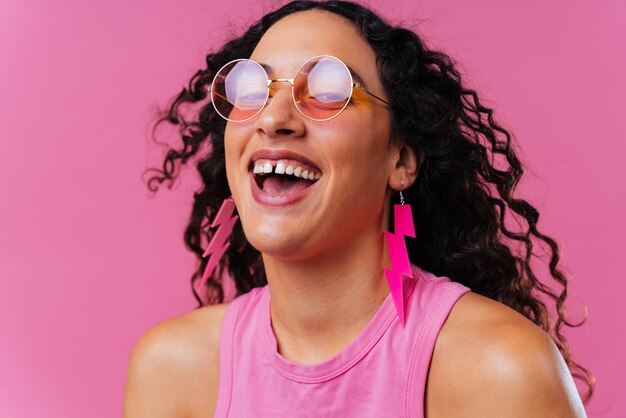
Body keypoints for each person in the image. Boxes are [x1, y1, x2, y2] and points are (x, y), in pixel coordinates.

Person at [124, 1, 595, 416]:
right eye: (251, 89)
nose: (273, 118)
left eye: (329, 90)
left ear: (401, 159)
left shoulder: (498, 370)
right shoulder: (171, 370)